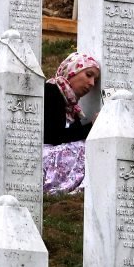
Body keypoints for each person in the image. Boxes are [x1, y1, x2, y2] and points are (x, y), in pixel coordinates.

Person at [43, 52, 100, 194]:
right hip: (40, 157)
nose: (92, 83)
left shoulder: (72, 107)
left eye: (95, 80)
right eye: (89, 75)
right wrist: (92, 127)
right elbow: (55, 136)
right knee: (83, 148)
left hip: (53, 157)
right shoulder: (51, 91)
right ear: (72, 70)